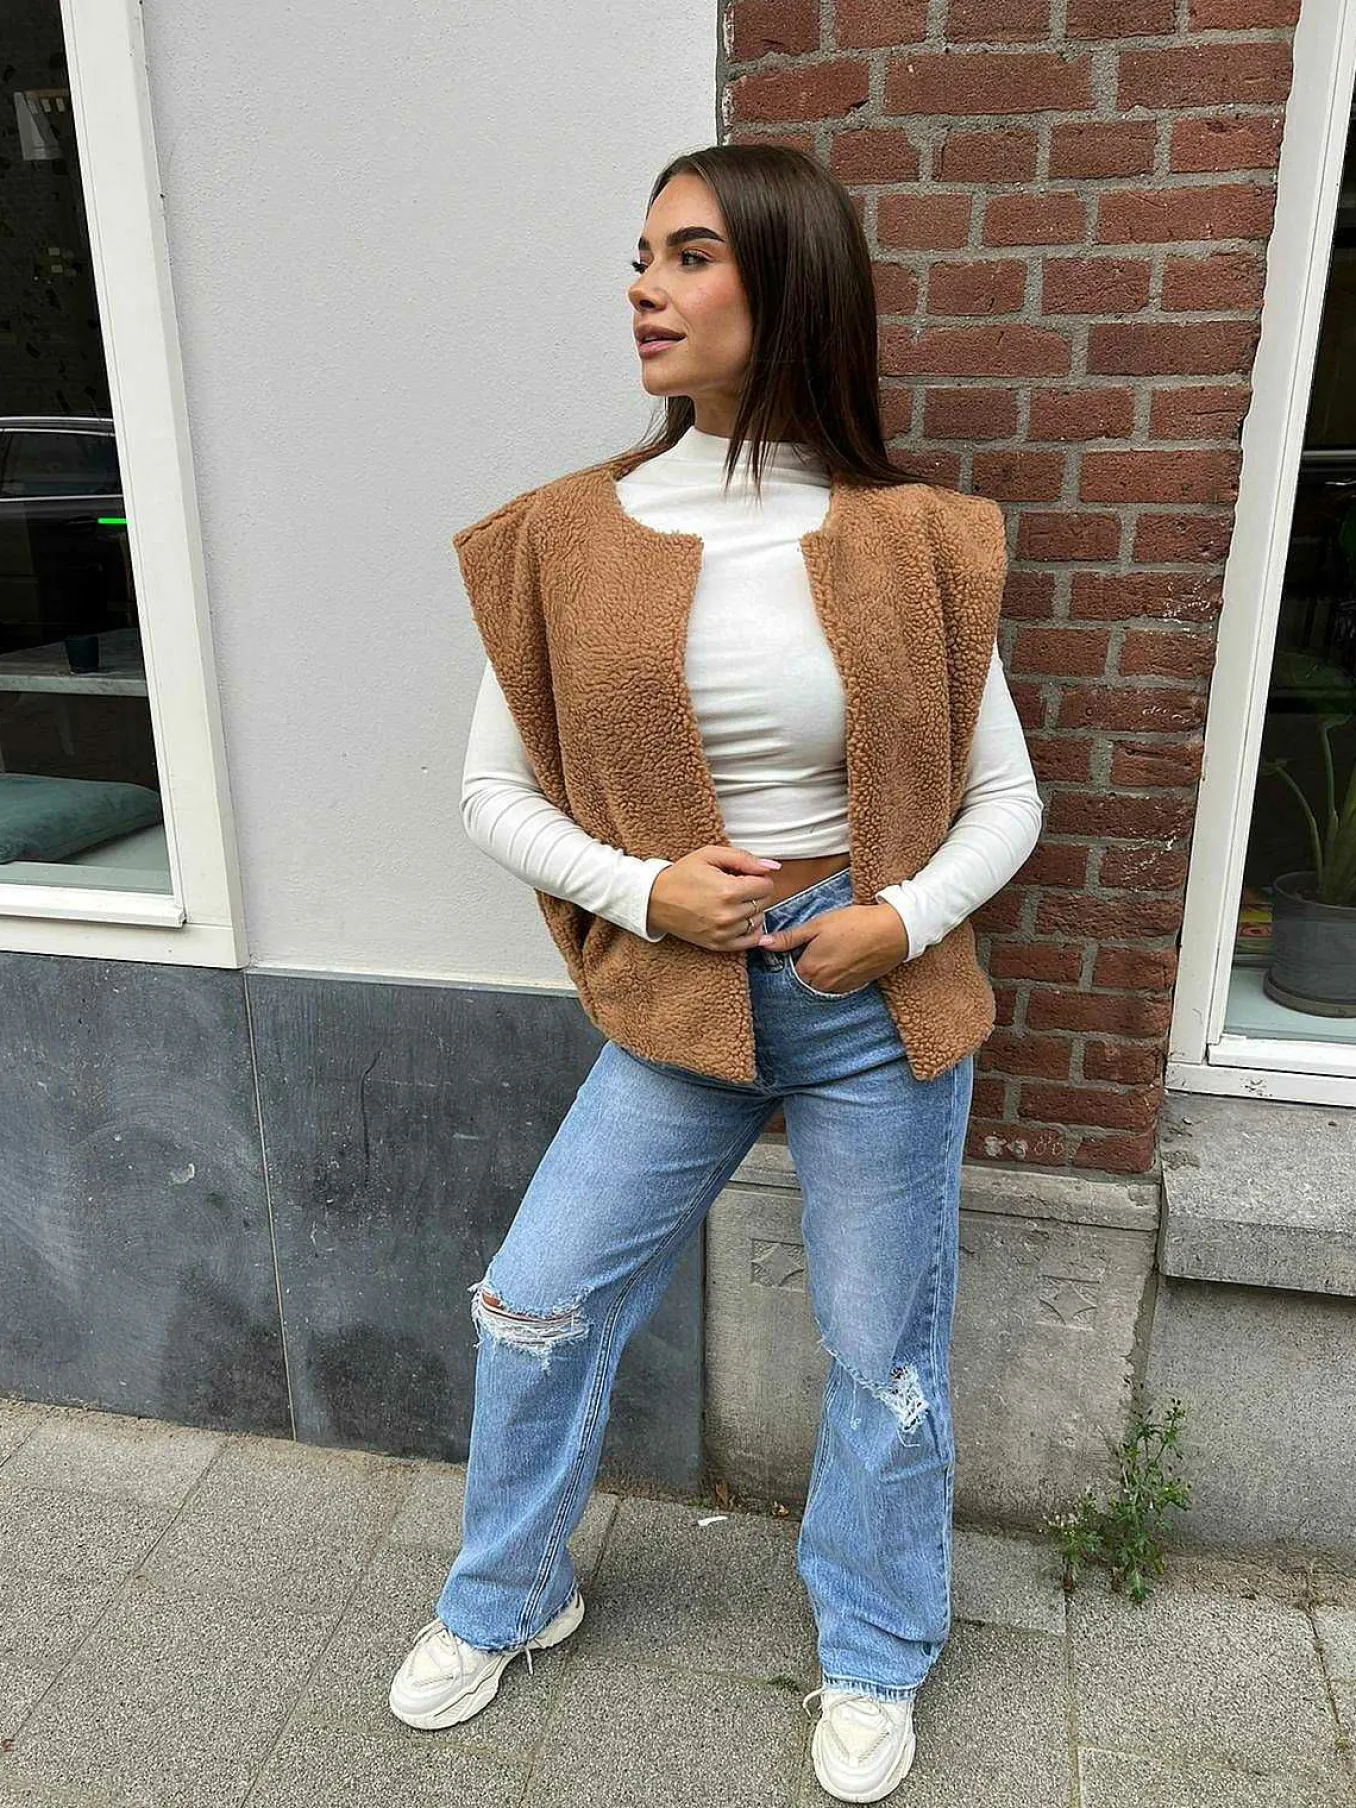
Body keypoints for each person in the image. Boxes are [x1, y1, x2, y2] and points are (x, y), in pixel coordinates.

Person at [390, 143, 1044, 1804]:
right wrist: (647, 894)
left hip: (873, 1000)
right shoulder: (563, 535)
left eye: (689, 256)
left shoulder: (915, 538)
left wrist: (901, 922)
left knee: (881, 1353)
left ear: (788, 282)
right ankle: (510, 1596)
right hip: (679, 994)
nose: (644, 288)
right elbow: (491, 796)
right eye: (640, 256)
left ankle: (876, 1646)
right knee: (534, 1305)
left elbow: (1008, 800)